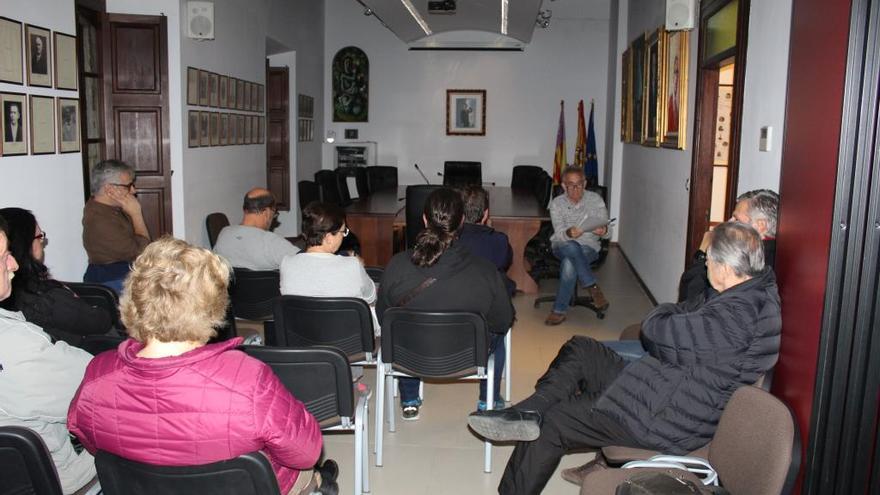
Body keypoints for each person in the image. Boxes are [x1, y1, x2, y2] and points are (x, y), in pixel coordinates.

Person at [468, 222, 781, 495]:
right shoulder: (748, 291)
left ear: (726, 268)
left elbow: (656, 326)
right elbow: (681, 319)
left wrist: (666, 312)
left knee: (555, 421)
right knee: (582, 348)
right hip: (659, 389)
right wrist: (674, 315)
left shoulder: (733, 319)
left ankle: (530, 434)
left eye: (708, 260)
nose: (706, 266)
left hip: (661, 420)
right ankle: (528, 410)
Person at [67, 237, 332, 495]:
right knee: (309, 471)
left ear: (133, 302)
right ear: (213, 306)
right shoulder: (247, 378)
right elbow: (305, 453)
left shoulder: (97, 374)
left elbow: (91, 440)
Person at [377, 188, 514, 420]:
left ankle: (409, 399)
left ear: (424, 219)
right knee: (498, 335)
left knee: (402, 329)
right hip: (468, 355)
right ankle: (486, 400)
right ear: (462, 221)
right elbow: (502, 321)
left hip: (410, 353)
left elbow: (384, 316)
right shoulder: (485, 271)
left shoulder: (397, 265)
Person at [0, 213, 97, 495]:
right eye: (4, 256)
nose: (14, 264)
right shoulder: (15, 344)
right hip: (54, 482)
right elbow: (96, 390)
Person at [0, 208, 115, 345]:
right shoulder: (44, 297)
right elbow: (101, 323)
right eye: (39, 236)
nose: (42, 242)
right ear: (26, 244)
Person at [678, 188, 779, 302]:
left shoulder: (742, 260)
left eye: (736, 219)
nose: (729, 222)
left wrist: (702, 252)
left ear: (761, 226)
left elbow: (691, 300)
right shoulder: (778, 254)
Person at [544, 166, 610, 326]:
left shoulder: (595, 200)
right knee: (571, 246)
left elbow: (609, 232)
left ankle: (558, 311)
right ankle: (591, 286)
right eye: (570, 185)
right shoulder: (557, 204)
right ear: (563, 186)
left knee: (569, 264)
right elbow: (558, 233)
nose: (575, 189)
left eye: (579, 184)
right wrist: (568, 233)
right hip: (562, 245)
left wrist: (604, 231)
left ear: (585, 183)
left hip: (589, 246)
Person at [280, 201, 375, 303]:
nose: (343, 236)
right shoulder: (353, 265)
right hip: (342, 319)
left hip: (298, 319)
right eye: (343, 232)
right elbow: (371, 297)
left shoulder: (287, 264)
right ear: (329, 238)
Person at [82, 159, 151, 292]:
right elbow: (143, 253)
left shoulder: (112, 208)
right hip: (113, 280)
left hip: (123, 274)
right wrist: (137, 215)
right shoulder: (99, 218)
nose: (133, 191)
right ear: (109, 189)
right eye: (128, 186)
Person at [214, 188, 300, 270]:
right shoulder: (272, 242)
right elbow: (305, 262)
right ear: (267, 212)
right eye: (274, 214)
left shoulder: (224, 234)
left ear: (244, 209)